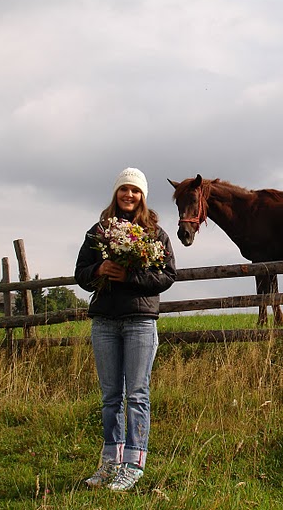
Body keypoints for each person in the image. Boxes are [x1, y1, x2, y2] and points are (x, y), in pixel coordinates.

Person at [75, 167, 176, 492]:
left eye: (135, 191)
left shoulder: (154, 234)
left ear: (142, 196)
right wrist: (98, 269)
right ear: (116, 193)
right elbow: (80, 273)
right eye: (124, 190)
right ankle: (110, 463)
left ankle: (133, 464)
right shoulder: (99, 231)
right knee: (110, 397)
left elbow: (167, 276)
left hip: (139, 321)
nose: (129, 195)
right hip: (104, 320)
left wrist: (129, 278)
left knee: (137, 395)